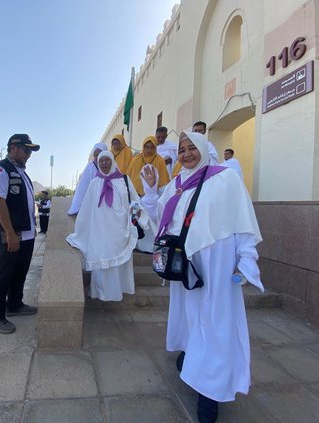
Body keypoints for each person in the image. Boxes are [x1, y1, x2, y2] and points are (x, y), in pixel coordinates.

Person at [140, 131, 263, 423]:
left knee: (215, 321)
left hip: (217, 263)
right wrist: (151, 191)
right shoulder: (176, 185)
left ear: (205, 149)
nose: (186, 154)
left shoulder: (225, 178)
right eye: (181, 150)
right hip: (187, 265)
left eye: (191, 147)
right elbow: (159, 220)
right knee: (190, 315)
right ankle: (193, 357)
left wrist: (246, 258)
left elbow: (242, 220)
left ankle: (211, 390)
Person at [66, 151, 147, 301]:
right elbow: (86, 209)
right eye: (101, 161)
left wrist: (136, 211)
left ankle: (118, 291)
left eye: (107, 160)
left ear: (112, 161)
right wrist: (82, 229)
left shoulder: (124, 180)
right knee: (102, 257)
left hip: (119, 228)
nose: (104, 163)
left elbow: (135, 200)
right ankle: (101, 292)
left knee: (118, 262)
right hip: (100, 229)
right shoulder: (94, 183)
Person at [0, 134, 40, 335]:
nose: (29, 155)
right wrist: (9, 233)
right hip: (10, 232)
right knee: (4, 273)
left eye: (30, 152)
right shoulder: (1, 169)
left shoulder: (21, 172)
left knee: (20, 271)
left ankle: (15, 304)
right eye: (26, 150)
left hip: (26, 233)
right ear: (13, 148)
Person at [67, 142, 108, 215]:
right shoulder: (90, 167)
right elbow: (82, 187)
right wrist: (76, 206)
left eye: (99, 154)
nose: (97, 157)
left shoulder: (111, 166)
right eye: (95, 155)